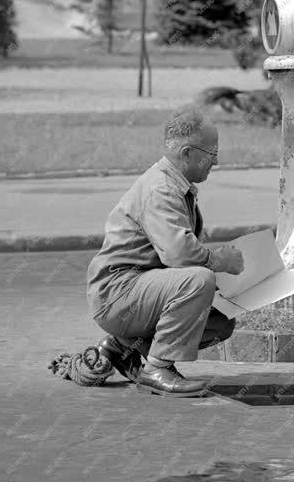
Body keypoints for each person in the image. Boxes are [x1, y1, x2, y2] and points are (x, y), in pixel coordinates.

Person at [87, 106, 244, 397]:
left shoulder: (174, 184)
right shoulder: (161, 189)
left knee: (219, 322)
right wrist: (221, 260)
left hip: (135, 289)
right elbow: (179, 255)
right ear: (187, 153)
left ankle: (122, 346)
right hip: (117, 293)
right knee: (199, 280)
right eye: (212, 153)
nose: (217, 161)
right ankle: (157, 369)